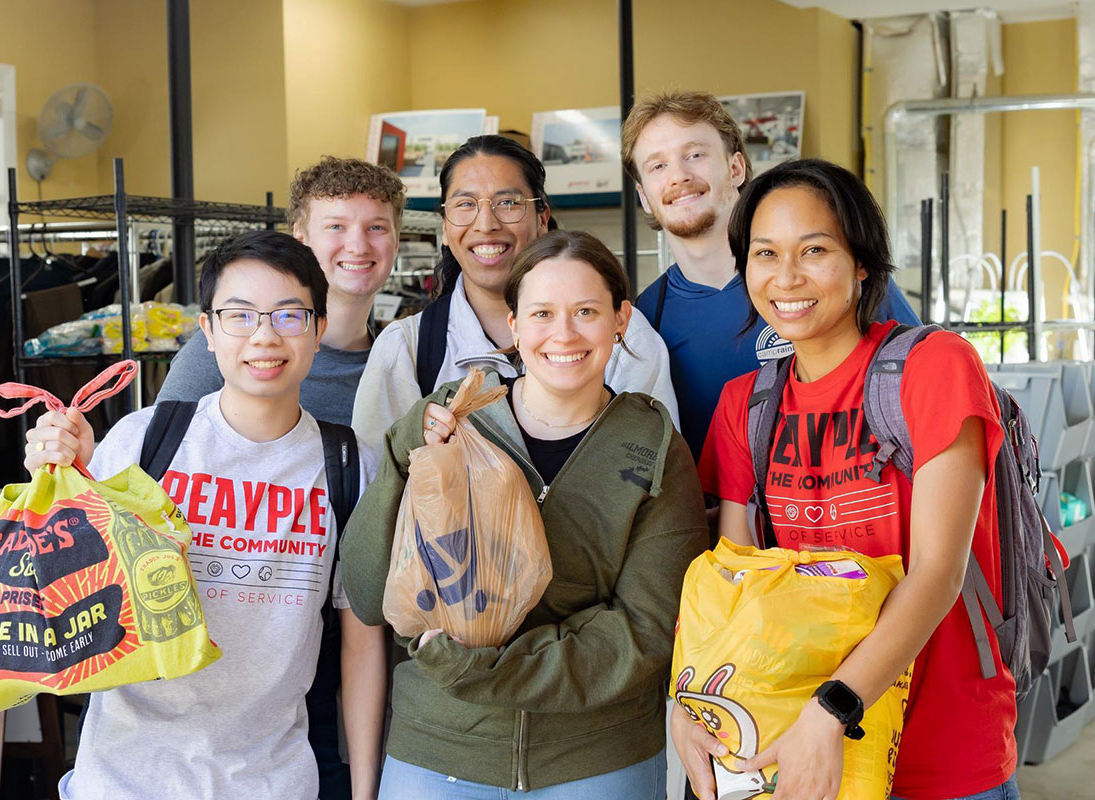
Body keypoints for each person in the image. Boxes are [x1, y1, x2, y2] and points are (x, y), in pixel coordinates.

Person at [29, 156, 404, 799]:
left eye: (288, 316)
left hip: (275, 770)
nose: (264, 336)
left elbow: (362, 640)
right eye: (240, 316)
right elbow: (68, 584)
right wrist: (64, 479)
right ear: (207, 330)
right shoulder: (147, 439)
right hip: (124, 777)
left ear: (314, 329)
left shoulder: (357, 453)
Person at [676, 159, 1018, 800]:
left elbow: (937, 574)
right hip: (791, 743)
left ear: (862, 262)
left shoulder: (934, 367)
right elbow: (733, 584)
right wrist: (687, 703)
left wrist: (832, 708)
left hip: (938, 751)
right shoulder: (744, 405)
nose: (786, 277)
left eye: (814, 250)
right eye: (765, 254)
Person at [342, 230, 708, 799]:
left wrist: (483, 669)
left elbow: (645, 630)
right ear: (514, 325)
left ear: (621, 319)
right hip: (439, 750)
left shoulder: (653, 446)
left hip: (595, 760)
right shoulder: (448, 422)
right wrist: (406, 454)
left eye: (586, 311)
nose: (563, 334)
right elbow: (368, 593)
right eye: (541, 313)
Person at [621, 90, 920, 459]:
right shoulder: (645, 319)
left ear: (736, 168)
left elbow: (923, 392)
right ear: (644, 196)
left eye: (695, 155)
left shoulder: (832, 279)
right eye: (657, 166)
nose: (679, 175)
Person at [351, 135, 678, 469]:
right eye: (465, 204)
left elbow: (651, 468)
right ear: (445, 228)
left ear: (542, 218)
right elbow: (379, 479)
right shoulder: (407, 348)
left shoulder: (623, 336)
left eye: (507, 202)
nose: (486, 224)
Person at [160, 155, 405, 424]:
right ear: (300, 238)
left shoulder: (401, 364)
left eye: (377, 227)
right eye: (336, 226)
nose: (358, 246)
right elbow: (161, 442)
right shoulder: (234, 347)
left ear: (396, 243)